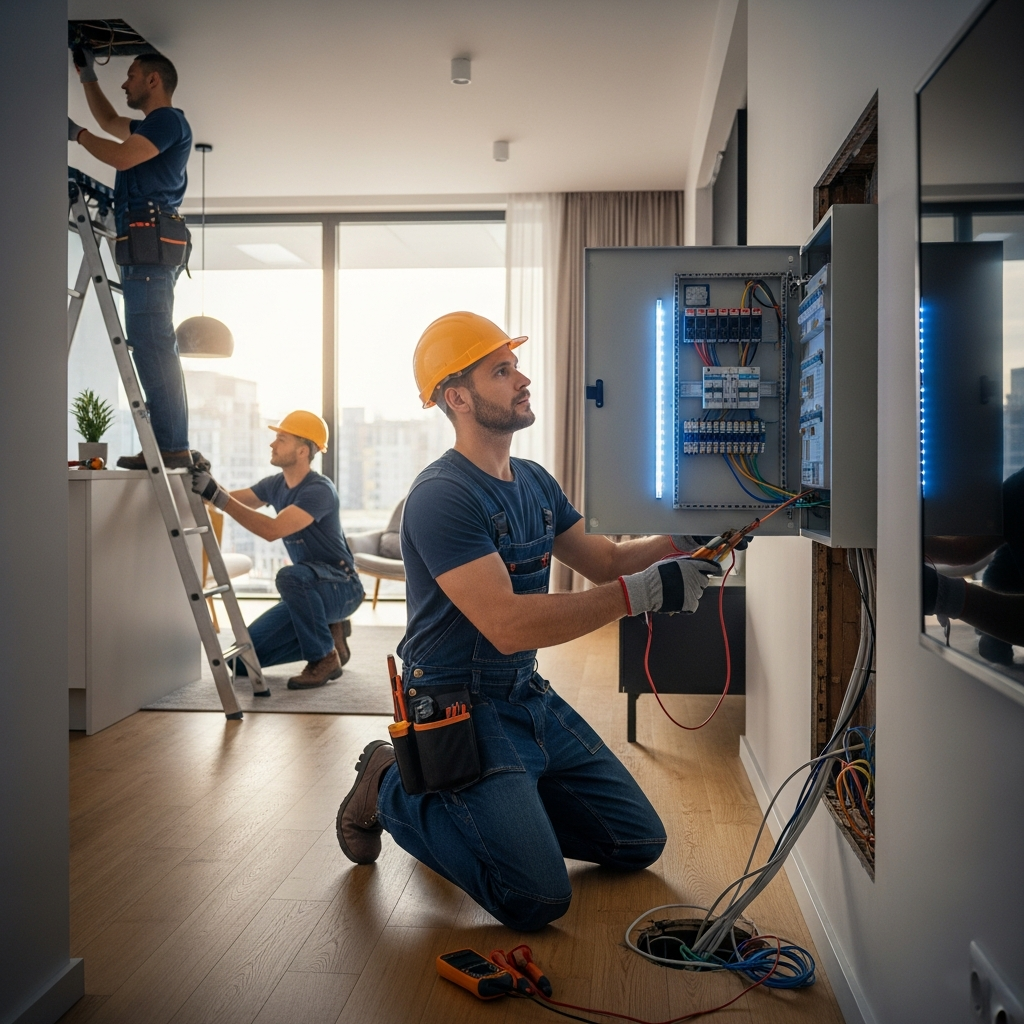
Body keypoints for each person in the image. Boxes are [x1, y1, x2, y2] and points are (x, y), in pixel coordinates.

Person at [334, 312, 720, 931]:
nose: (524, 379)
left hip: (525, 696)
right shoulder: (442, 495)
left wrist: (678, 539)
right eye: (503, 371)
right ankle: (387, 783)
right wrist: (642, 594)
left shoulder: (534, 481)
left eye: (515, 366)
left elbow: (606, 562)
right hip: (458, 703)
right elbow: (508, 625)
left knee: (637, 843)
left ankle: (503, 804)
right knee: (536, 899)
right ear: (457, 397)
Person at [69, 49, 194, 469]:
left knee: (154, 345)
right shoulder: (152, 126)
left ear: (154, 80)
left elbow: (121, 155)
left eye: (131, 74)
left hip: (149, 248)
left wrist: (76, 134)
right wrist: (87, 73)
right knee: (154, 344)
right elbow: (109, 123)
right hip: (147, 247)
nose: (124, 83)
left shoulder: (168, 121)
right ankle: (170, 443)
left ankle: (171, 446)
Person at [190, 411, 365, 690]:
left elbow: (272, 530)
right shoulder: (275, 485)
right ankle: (331, 635)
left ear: (302, 450)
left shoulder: (319, 490)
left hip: (342, 589)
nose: (272, 444)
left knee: (289, 576)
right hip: (307, 590)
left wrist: (216, 495)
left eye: (281, 439)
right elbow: (224, 501)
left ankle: (324, 657)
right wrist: (205, 481)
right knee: (241, 661)